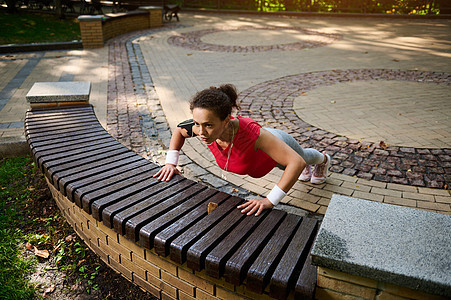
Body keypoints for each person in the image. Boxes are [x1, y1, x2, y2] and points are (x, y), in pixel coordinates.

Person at [154, 84, 330, 216]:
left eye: (208, 125)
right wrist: (170, 163)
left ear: (226, 121)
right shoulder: (203, 129)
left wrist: (270, 200)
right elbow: (179, 131)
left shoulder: (254, 135)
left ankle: (323, 160)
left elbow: (295, 162)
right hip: (260, 161)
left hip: (277, 141)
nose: (200, 132)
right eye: (197, 124)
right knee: (292, 166)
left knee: (303, 158)